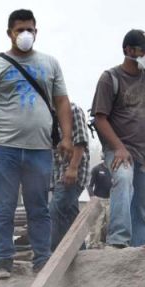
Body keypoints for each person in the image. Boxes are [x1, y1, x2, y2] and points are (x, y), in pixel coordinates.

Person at [0, 8, 74, 279]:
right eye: (19, 30)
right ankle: (3, 262)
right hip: (4, 148)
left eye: (29, 29)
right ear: (9, 33)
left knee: (39, 207)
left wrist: (66, 138)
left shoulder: (50, 63)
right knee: (4, 206)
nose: (25, 34)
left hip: (40, 148)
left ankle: (42, 260)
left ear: (36, 31)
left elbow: (62, 101)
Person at [91, 30, 145, 248]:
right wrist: (118, 148)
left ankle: (139, 249)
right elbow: (100, 118)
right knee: (123, 179)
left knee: (142, 207)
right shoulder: (111, 79)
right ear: (129, 51)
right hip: (118, 151)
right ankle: (118, 241)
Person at [50, 102, 90, 244]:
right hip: (56, 174)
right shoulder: (47, 115)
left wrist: (73, 168)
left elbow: (81, 141)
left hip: (73, 172)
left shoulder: (73, 110)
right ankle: (81, 253)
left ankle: (53, 256)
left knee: (55, 210)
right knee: (69, 215)